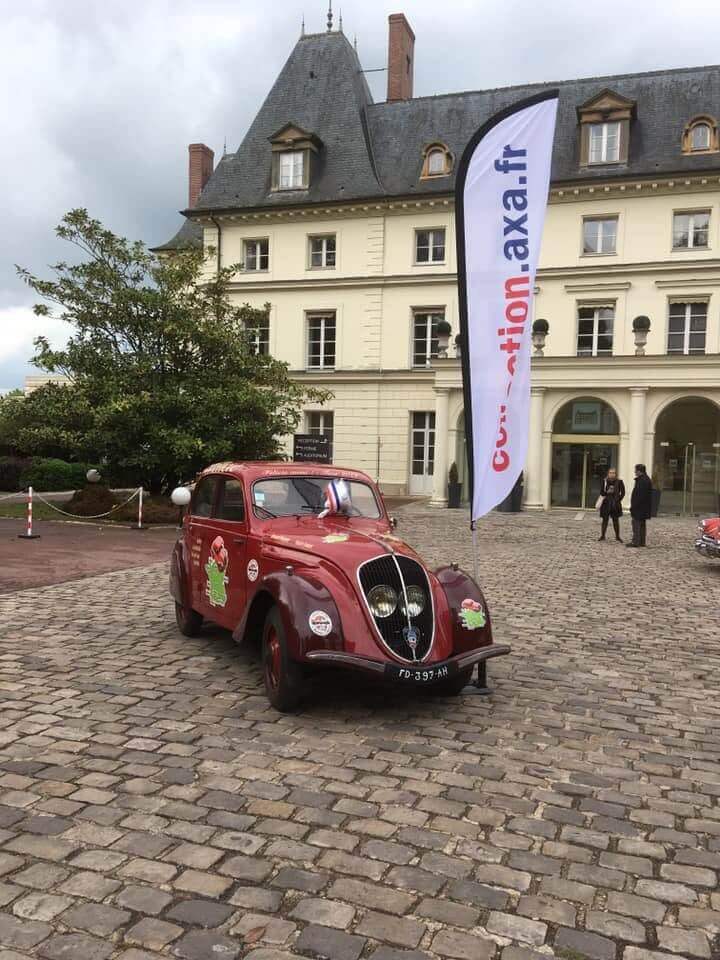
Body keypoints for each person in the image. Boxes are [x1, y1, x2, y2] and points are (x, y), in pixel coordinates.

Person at [627, 463, 652, 547]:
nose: (634, 472)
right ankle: (641, 541)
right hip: (644, 507)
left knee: (636, 524)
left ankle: (636, 541)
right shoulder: (646, 479)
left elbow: (639, 495)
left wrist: (634, 506)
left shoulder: (642, 481)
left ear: (639, 471)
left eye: (635, 470)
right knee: (642, 524)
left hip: (639, 507)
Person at [598, 468, 625, 541]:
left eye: (613, 473)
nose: (612, 474)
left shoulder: (619, 481)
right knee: (605, 520)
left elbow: (623, 492)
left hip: (615, 504)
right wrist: (607, 492)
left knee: (615, 520)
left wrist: (618, 499)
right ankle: (603, 535)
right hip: (606, 503)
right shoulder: (605, 481)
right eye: (610, 473)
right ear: (608, 473)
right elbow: (601, 492)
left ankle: (617, 536)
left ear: (615, 474)